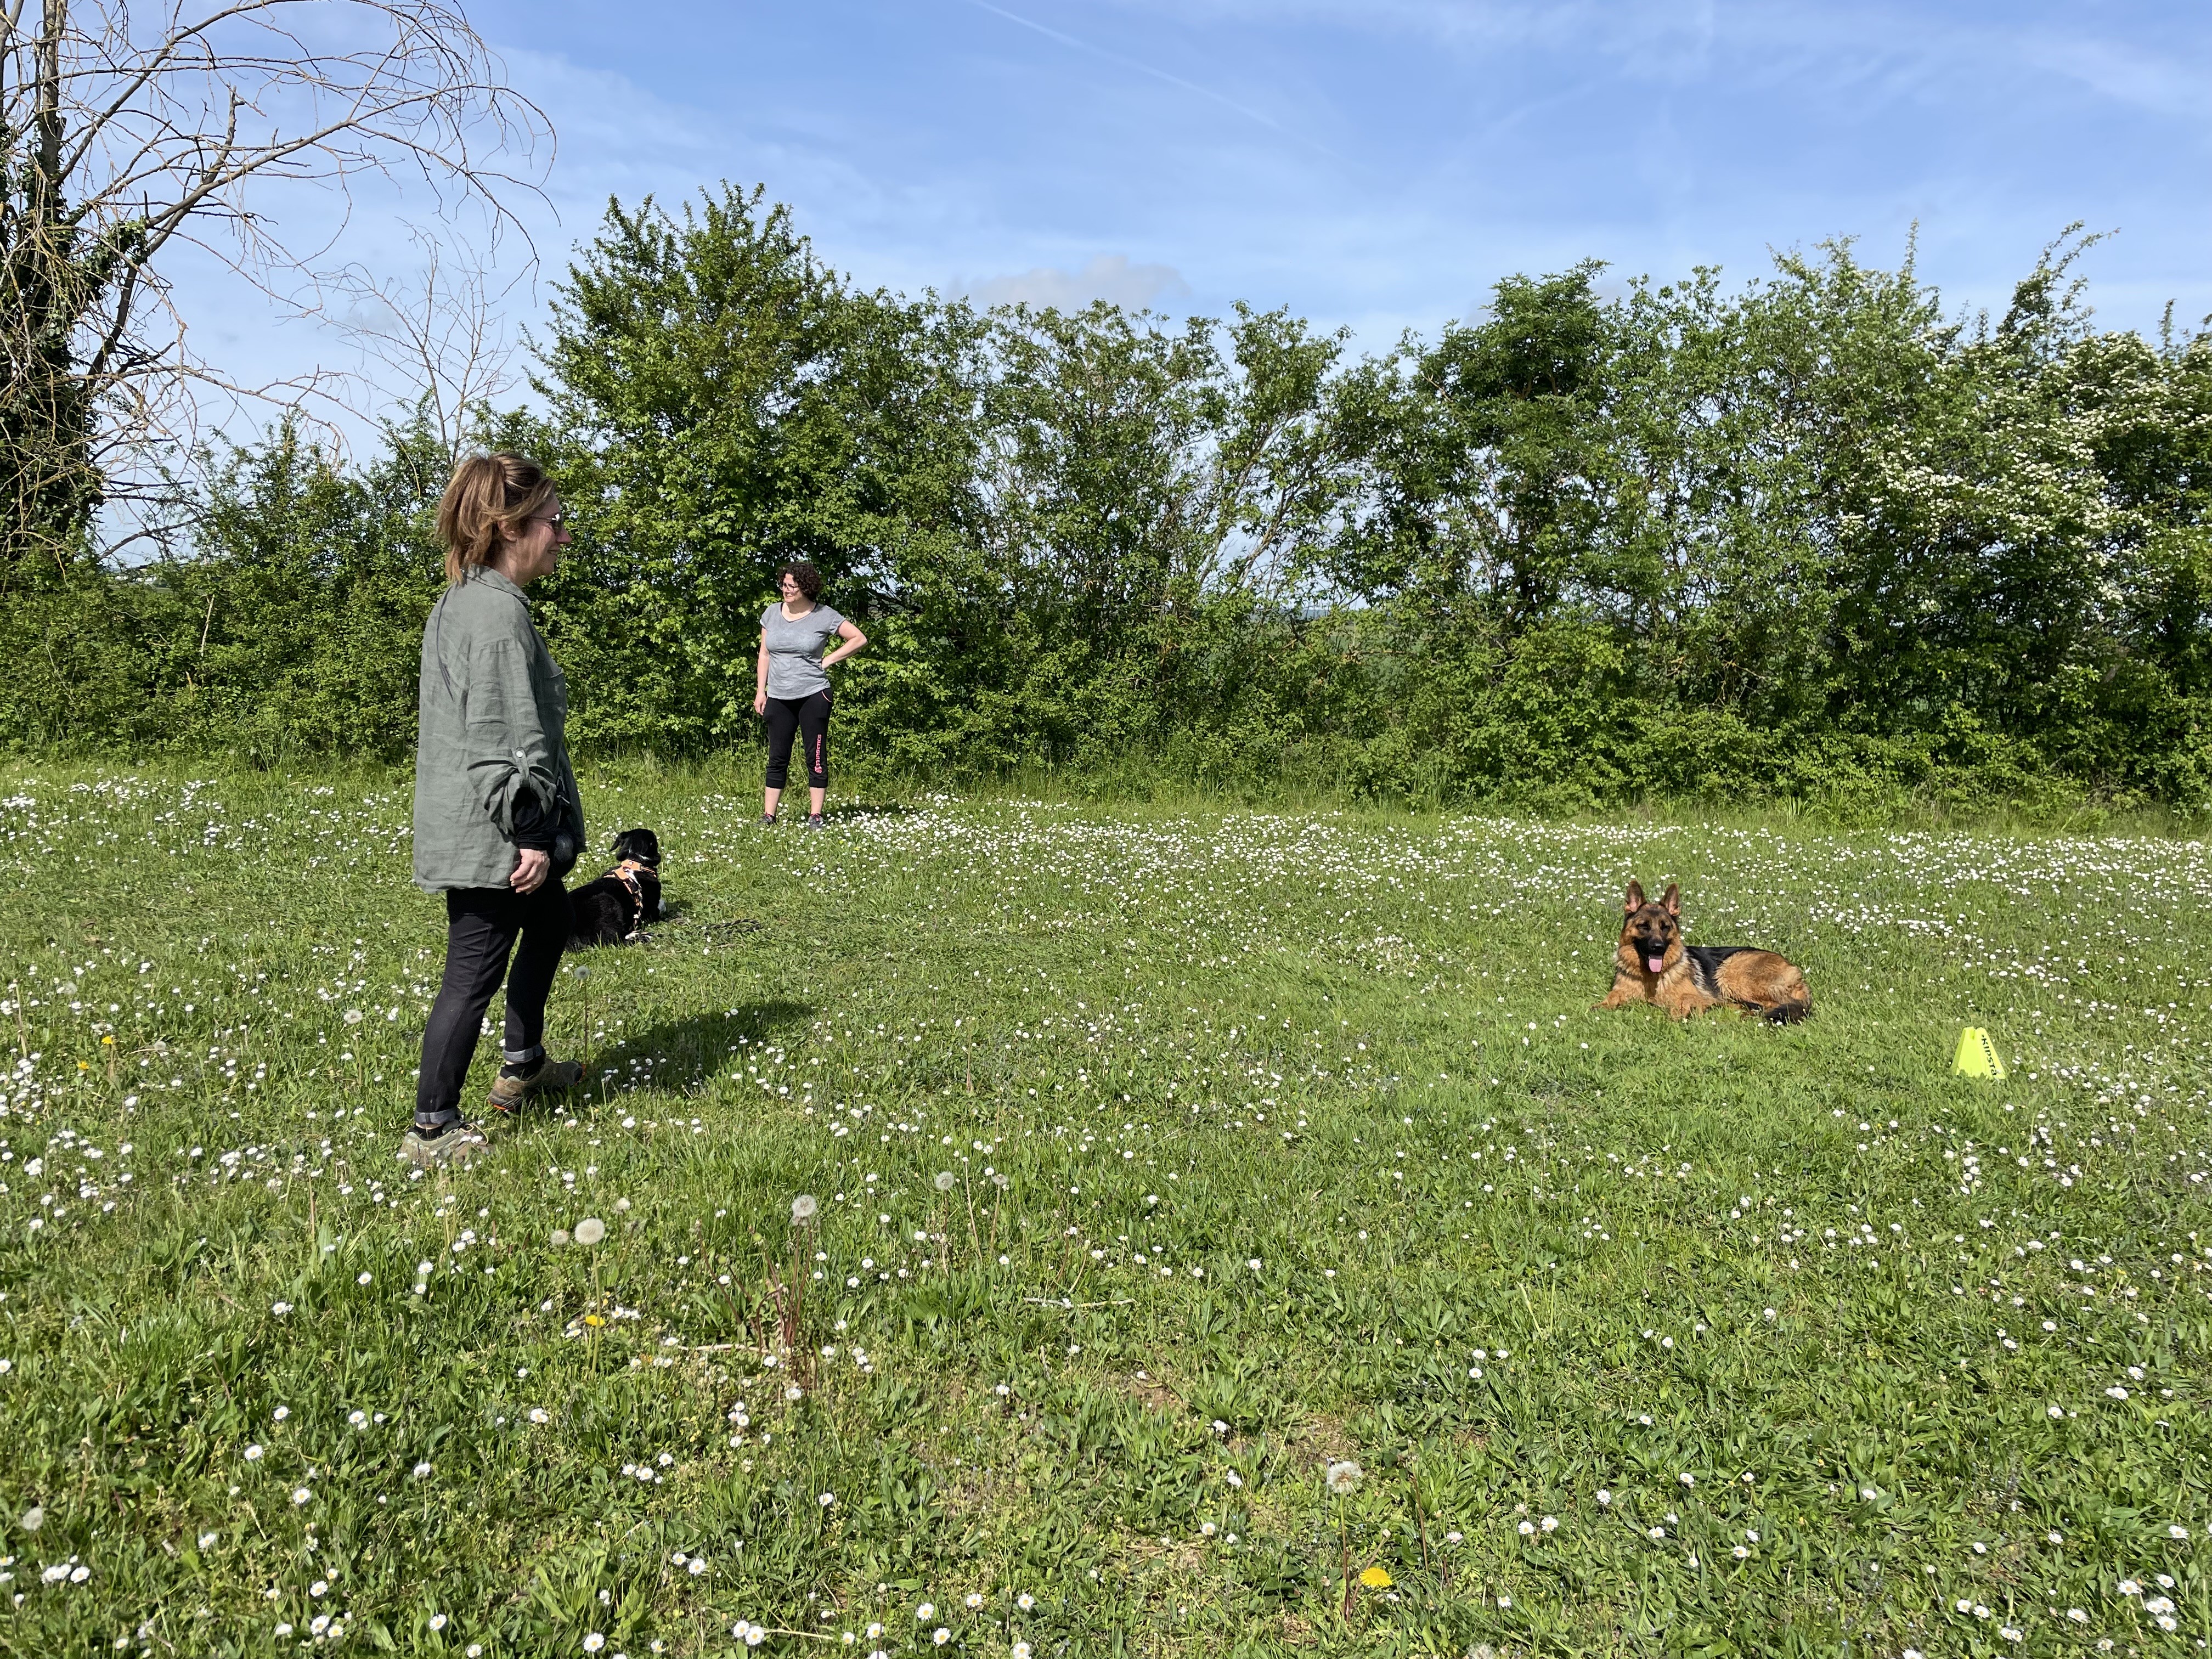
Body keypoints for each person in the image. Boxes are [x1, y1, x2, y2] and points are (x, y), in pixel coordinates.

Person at [403, 453, 587, 1169]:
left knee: (555, 921)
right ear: (512, 527)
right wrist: (532, 834)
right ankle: (431, 1129)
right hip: (496, 837)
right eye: (554, 521)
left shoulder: (473, 599)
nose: (562, 536)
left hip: (491, 827)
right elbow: (498, 741)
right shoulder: (493, 614)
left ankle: (524, 1063)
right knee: (472, 970)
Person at [755, 560, 866, 828]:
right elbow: (765, 653)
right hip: (778, 696)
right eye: (784, 585)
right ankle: (769, 815)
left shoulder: (824, 615)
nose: (786, 590)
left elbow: (858, 639)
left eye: (792, 586)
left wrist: (828, 660)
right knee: (777, 756)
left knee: (815, 756)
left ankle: (815, 815)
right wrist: (761, 691)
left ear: (806, 588)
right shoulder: (771, 613)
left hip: (813, 695)